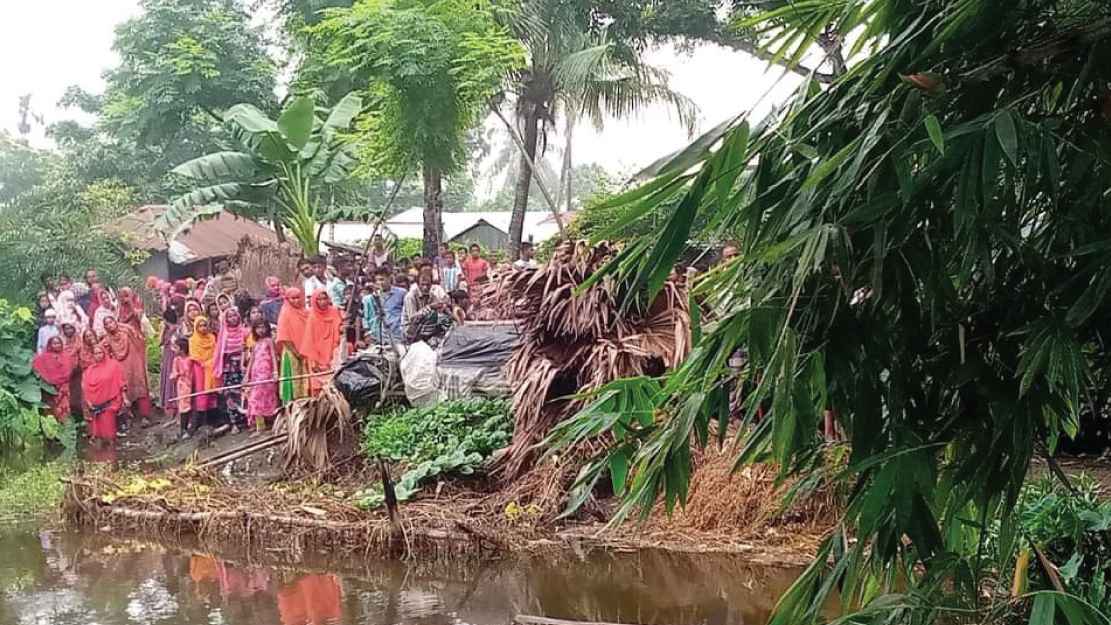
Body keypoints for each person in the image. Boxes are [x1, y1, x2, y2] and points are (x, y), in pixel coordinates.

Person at [102, 315, 152, 428]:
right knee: (124, 389)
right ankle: (128, 418)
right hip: (121, 366)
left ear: (116, 322)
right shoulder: (107, 340)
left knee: (140, 386)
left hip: (134, 362)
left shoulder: (127, 331)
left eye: (111, 322)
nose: (110, 325)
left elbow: (139, 341)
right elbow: (103, 352)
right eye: (107, 324)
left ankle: (145, 416)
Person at [300, 289, 342, 396]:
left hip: (334, 353)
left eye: (324, 298)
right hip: (317, 356)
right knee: (319, 389)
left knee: (336, 385)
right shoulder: (312, 316)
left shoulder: (334, 312)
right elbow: (309, 340)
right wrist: (313, 361)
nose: (322, 302)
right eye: (319, 299)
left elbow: (340, 328)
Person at [82, 344, 126, 445]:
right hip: (95, 405)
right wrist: (88, 402)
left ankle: (111, 451)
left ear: (104, 352)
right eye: (96, 353)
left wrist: (125, 397)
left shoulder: (114, 366)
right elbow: (85, 387)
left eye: (100, 352)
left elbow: (121, 382)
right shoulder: (89, 371)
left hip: (110, 402)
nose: (98, 355)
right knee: (98, 436)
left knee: (109, 433)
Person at [213, 308, 248, 431]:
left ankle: (247, 420)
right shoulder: (224, 334)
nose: (233, 318)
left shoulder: (244, 332)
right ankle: (235, 423)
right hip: (229, 368)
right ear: (226, 319)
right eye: (230, 316)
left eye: (234, 316)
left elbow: (248, 349)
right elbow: (220, 352)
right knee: (230, 395)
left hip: (243, 366)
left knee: (244, 392)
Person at [244, 319, 279, 435]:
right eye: (258, 328)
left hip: (266, 375)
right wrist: (247, 375)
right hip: (256, 375)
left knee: (266, 398)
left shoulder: (269, 341)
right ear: (254, 330)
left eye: (263, 327)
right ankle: (260, 426)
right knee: (254, 399)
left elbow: (273, 356)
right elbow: (251, 361)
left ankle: (272, 424)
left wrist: (275, 371)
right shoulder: (255, 344)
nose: (261, 330)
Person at [276, 288, 310, 403]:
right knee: (293, 381)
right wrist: (296, 353)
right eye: (293, 298)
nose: (296, 301)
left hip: (306, 352)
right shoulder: (285, 314)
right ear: (288, 299)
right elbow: (284, 337)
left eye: (298, 297)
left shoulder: (305, 312)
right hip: (291, 353)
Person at [33, 336, 75, 421]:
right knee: (51, 410)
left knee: (64, 408)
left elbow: (70, 370)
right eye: (54, 343)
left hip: (63, 389)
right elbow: (37, 366)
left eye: (58, 343)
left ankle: (66, 426)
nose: (57, 345)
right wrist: (49, 380)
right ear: (50, 345)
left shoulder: (67, 357)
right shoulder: (44, 357)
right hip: (50, 389)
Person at [189, 316, 219, 427]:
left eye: (205, 325)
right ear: (196, 327)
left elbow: (216, 351)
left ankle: (214, 420)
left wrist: (211, 362)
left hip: (212, 366)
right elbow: (194, 356)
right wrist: (204, 363)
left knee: (212, 391)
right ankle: (202, 421)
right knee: (202, 392)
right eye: (200, 326)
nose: (203, 328)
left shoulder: (212, 337)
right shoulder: (193, 340)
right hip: (200, 368)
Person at [169, 338, 196, 439]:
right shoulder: (176, 360)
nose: (173, 350)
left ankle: (191, 425)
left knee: (192, 404)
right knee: (183, 405)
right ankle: (183, 428)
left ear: (182, 349)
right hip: (182, 386)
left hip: (191, 384)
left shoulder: (191, 359)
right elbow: (174, 372)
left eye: (176, 347)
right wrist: (175, 376)